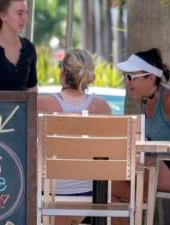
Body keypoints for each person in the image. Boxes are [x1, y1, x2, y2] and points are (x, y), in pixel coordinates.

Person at [113, 48, 170, 225]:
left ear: (151, 78)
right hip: (156, 169)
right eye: (126, 76)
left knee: (135, 165)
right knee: (109, 186)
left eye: (132, 77)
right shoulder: (145, 100)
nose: (127, 82)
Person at [37, 49, 111, 225]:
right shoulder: (102, 107)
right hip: (92, 195)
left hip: (49, 194)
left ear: (62, 71)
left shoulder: (42, 104)